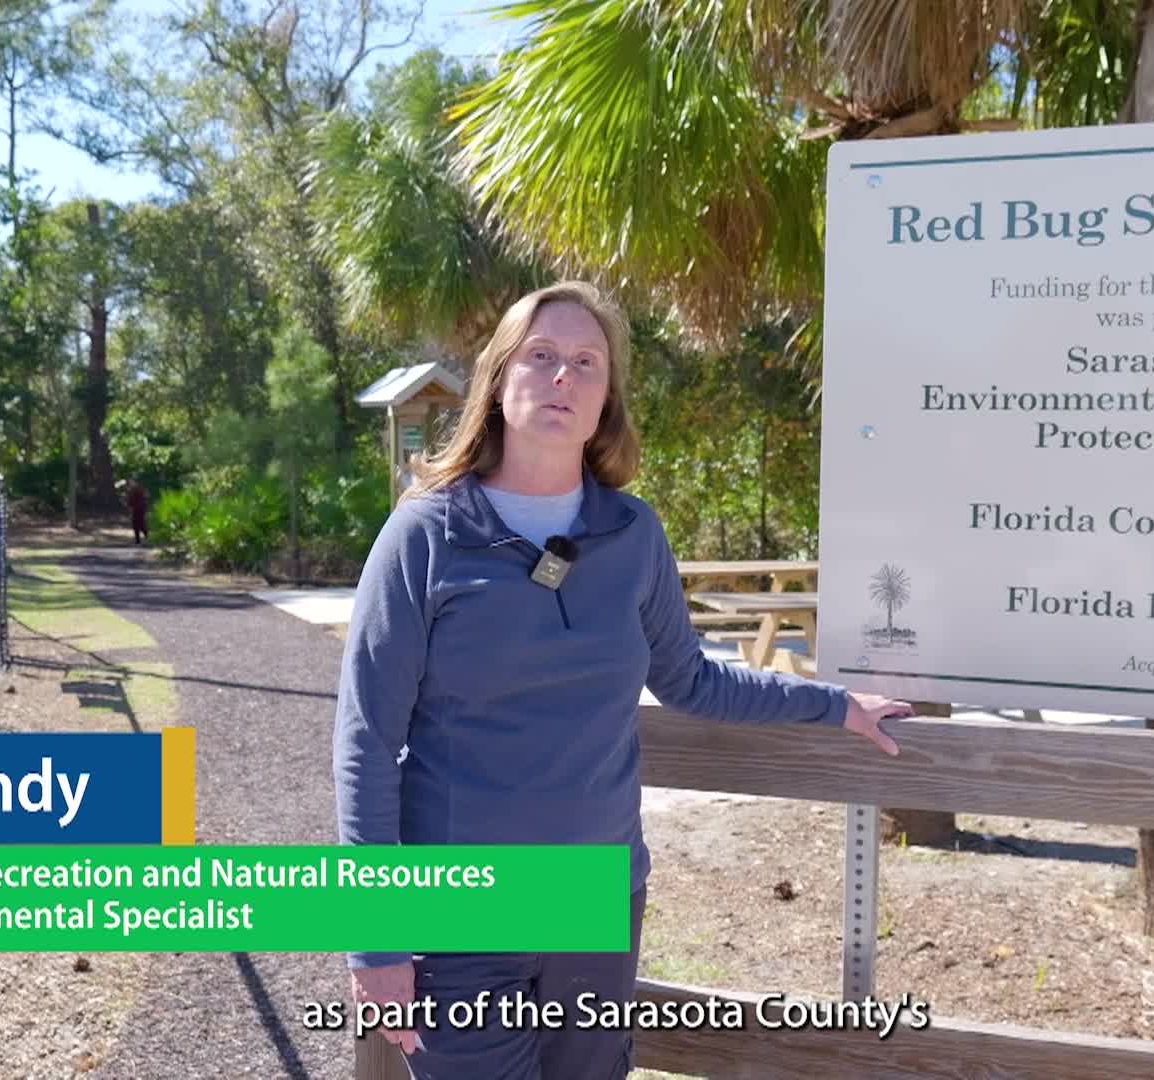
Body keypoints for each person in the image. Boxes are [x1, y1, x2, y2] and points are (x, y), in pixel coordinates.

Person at [332, 281, 911, 1079]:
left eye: (585, 362)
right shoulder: (424, 535)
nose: (562, 376)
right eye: (540, 357)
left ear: (609, 401)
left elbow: (693, 682)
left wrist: (834, 704)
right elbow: (365, 744)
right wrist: (376, 938)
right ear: (499, 381)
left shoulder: (631, 534)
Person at [125, 480, 149, 545]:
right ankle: (138, 540)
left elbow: (143, 500)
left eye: (132, 482)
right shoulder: (132, 490)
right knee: (136, 525)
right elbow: (130, 500)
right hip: (135, 509)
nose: (131, 483)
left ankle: (146, 537)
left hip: (139, 509)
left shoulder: (138, 490)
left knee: (140, 524)